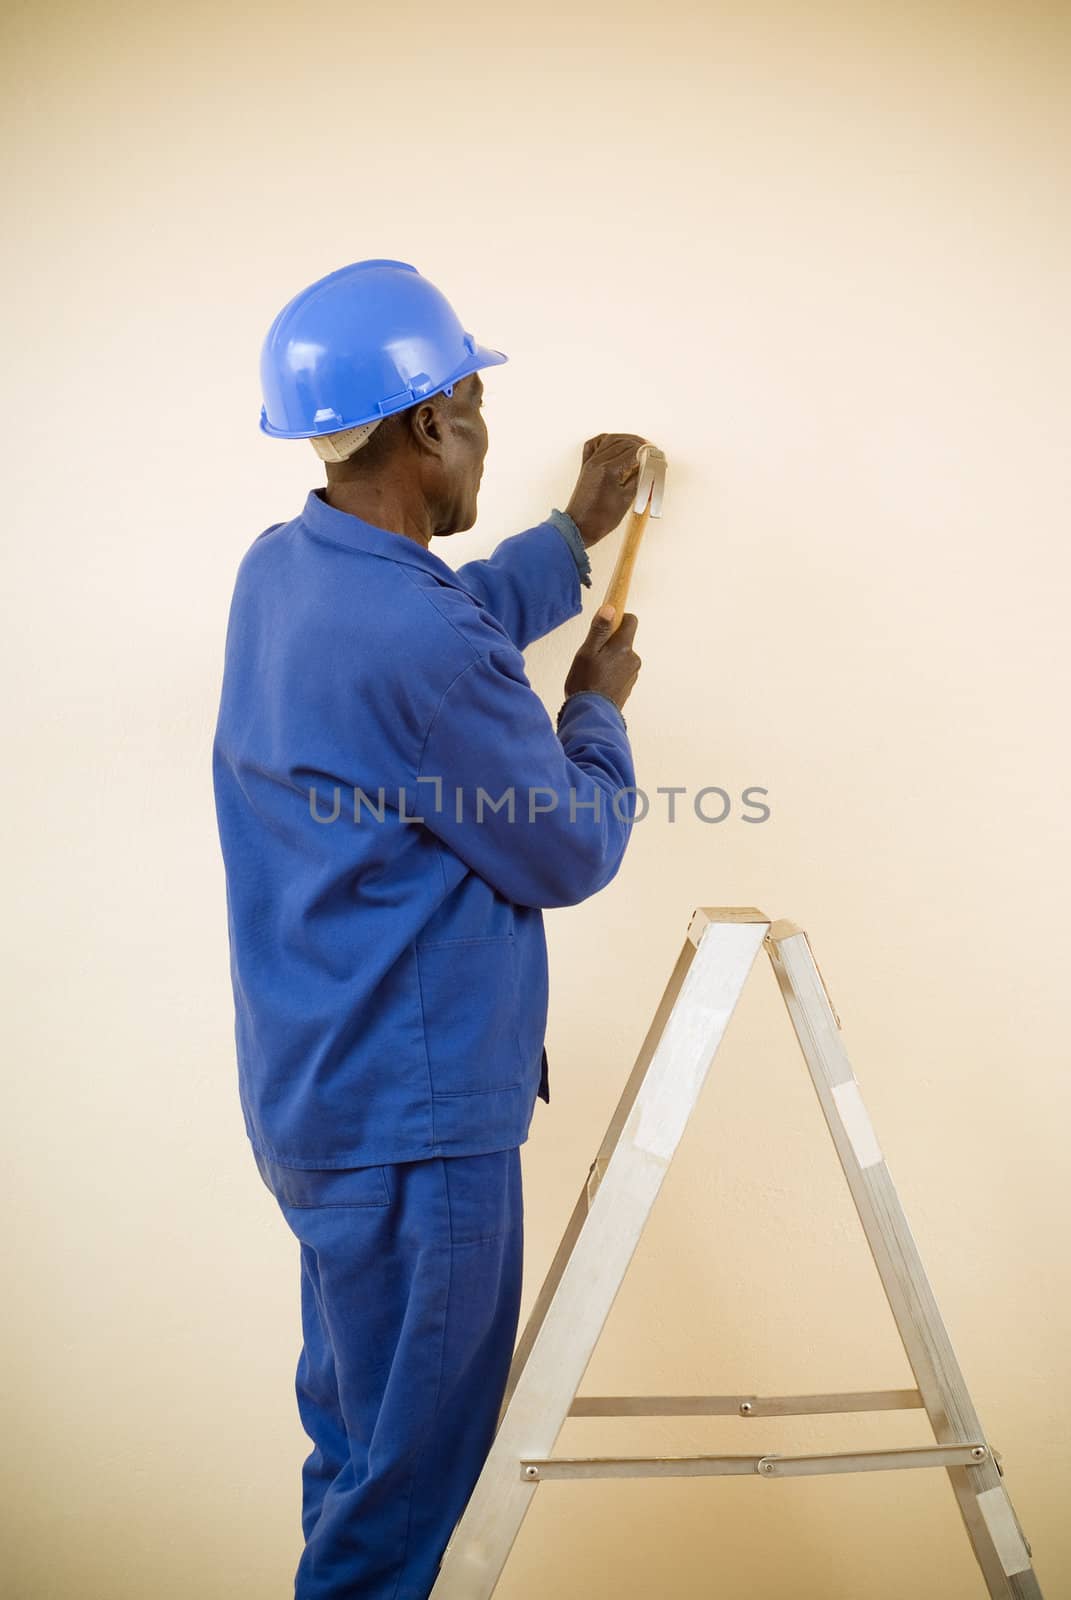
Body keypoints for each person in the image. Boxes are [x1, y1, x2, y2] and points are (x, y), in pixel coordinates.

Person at [212, 259, 645, 1598]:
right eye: (473, 404)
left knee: (356, 1463)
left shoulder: (288, 573)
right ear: (422, 426)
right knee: (403, 1516)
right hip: (419, 1135)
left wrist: (569, 540)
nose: (486, 437)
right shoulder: (414, 638)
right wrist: (598, 707)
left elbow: (440, 625)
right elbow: (568, 846)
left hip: (323, 1110)